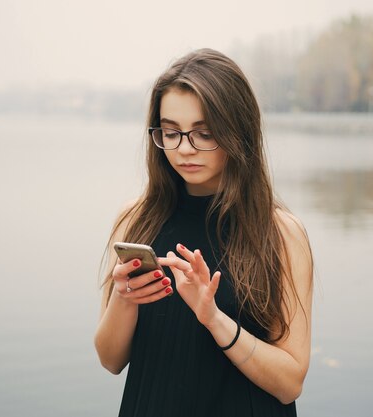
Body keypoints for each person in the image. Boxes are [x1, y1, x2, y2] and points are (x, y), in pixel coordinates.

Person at [94, 48, 313, 417]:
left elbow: (290, 382)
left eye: (204, 133)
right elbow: (111, 360)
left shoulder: (280, 233)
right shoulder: (134, 218)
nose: (184, 149)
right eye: (171, 132)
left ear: (238, 131)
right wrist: (124, 298)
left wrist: (213, 317)